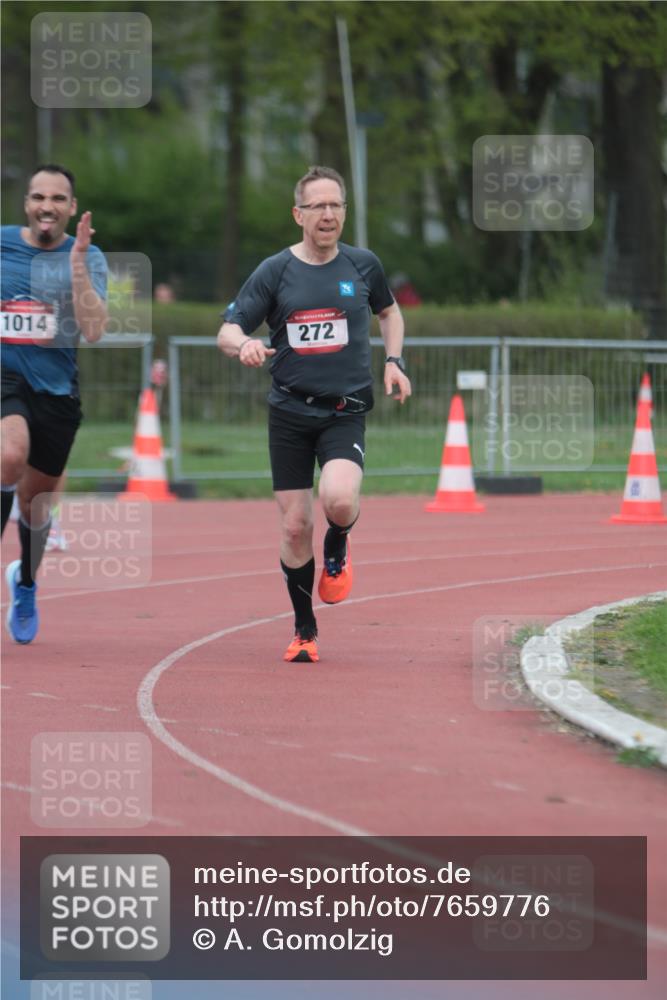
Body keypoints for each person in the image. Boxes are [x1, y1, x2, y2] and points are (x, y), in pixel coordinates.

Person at [217, 165, 411, 663]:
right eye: (318, 206)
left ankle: (340, 544)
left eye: (336, 205)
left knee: (339, 501)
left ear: (345, 212)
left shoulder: (363, 265)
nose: (328, 214)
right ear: (298, 214)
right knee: (295, 526)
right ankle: (305, 629)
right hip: (289, 413)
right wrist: (243, 346)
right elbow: (229, 328)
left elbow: (389, 312)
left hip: (344, 410)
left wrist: (393, 361)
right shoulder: (276, 271)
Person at [1, 164, 108, 643]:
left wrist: (79, 263)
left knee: (37, 505)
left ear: (70, 208)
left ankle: (25, 583)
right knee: (9, 454)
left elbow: (93, 329)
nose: (47, 206)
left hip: (55, 389)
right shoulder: (2, 244)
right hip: (4, 377)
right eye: (38, 197)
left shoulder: (88, 256)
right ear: (27, 203)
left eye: (58, 199)